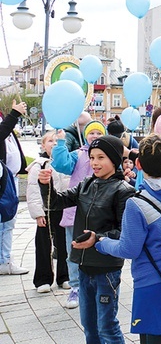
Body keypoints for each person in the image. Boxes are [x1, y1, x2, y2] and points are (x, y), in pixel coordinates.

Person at [95, 134, 161, 343]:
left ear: (139, 165)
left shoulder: (137, 204)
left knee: (153, 338)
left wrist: (102, 243)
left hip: (152, 281)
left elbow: (129, 249)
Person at [39, 135, 134, 344]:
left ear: (115, 160)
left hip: (106, 269)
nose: (95, 163)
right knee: (89, 328)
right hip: (84, 267)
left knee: (106, 327)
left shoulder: (123, 191)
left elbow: (125, 232)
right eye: (92, 157)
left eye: (101, 157)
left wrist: (97, 239)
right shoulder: (86, 184)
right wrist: (45, 184)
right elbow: (55, 202)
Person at [50, 120, 110, 309]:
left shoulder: (109, 156)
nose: (94, 136)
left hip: (100, 212)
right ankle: (76, 287)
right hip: (75, 211)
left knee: (99, 247)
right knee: (73, 251)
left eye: (98, 133)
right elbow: (61, 165)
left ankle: (99, 283)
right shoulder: (78, 155)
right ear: (85, 136)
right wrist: (60, 143)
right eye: (91, 133)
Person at [26, 131, 69, 292]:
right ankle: (43, 279)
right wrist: (38, 213)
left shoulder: (64, 163)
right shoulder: (39, 165)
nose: (53, 143)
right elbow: (33, 190)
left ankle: (64, 276)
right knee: (44, 246)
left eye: (57, 141)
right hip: (46, 211)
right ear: (43, 145)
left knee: (64, 245)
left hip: (63, 209)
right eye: (50, 141)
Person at [0, 100, 29, 276]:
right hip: (4, 181)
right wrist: (14, 114)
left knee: (8, 222)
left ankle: (4, 259)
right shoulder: (8, 119)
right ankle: (4, 261)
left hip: (11, 178)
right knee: (5, 221)